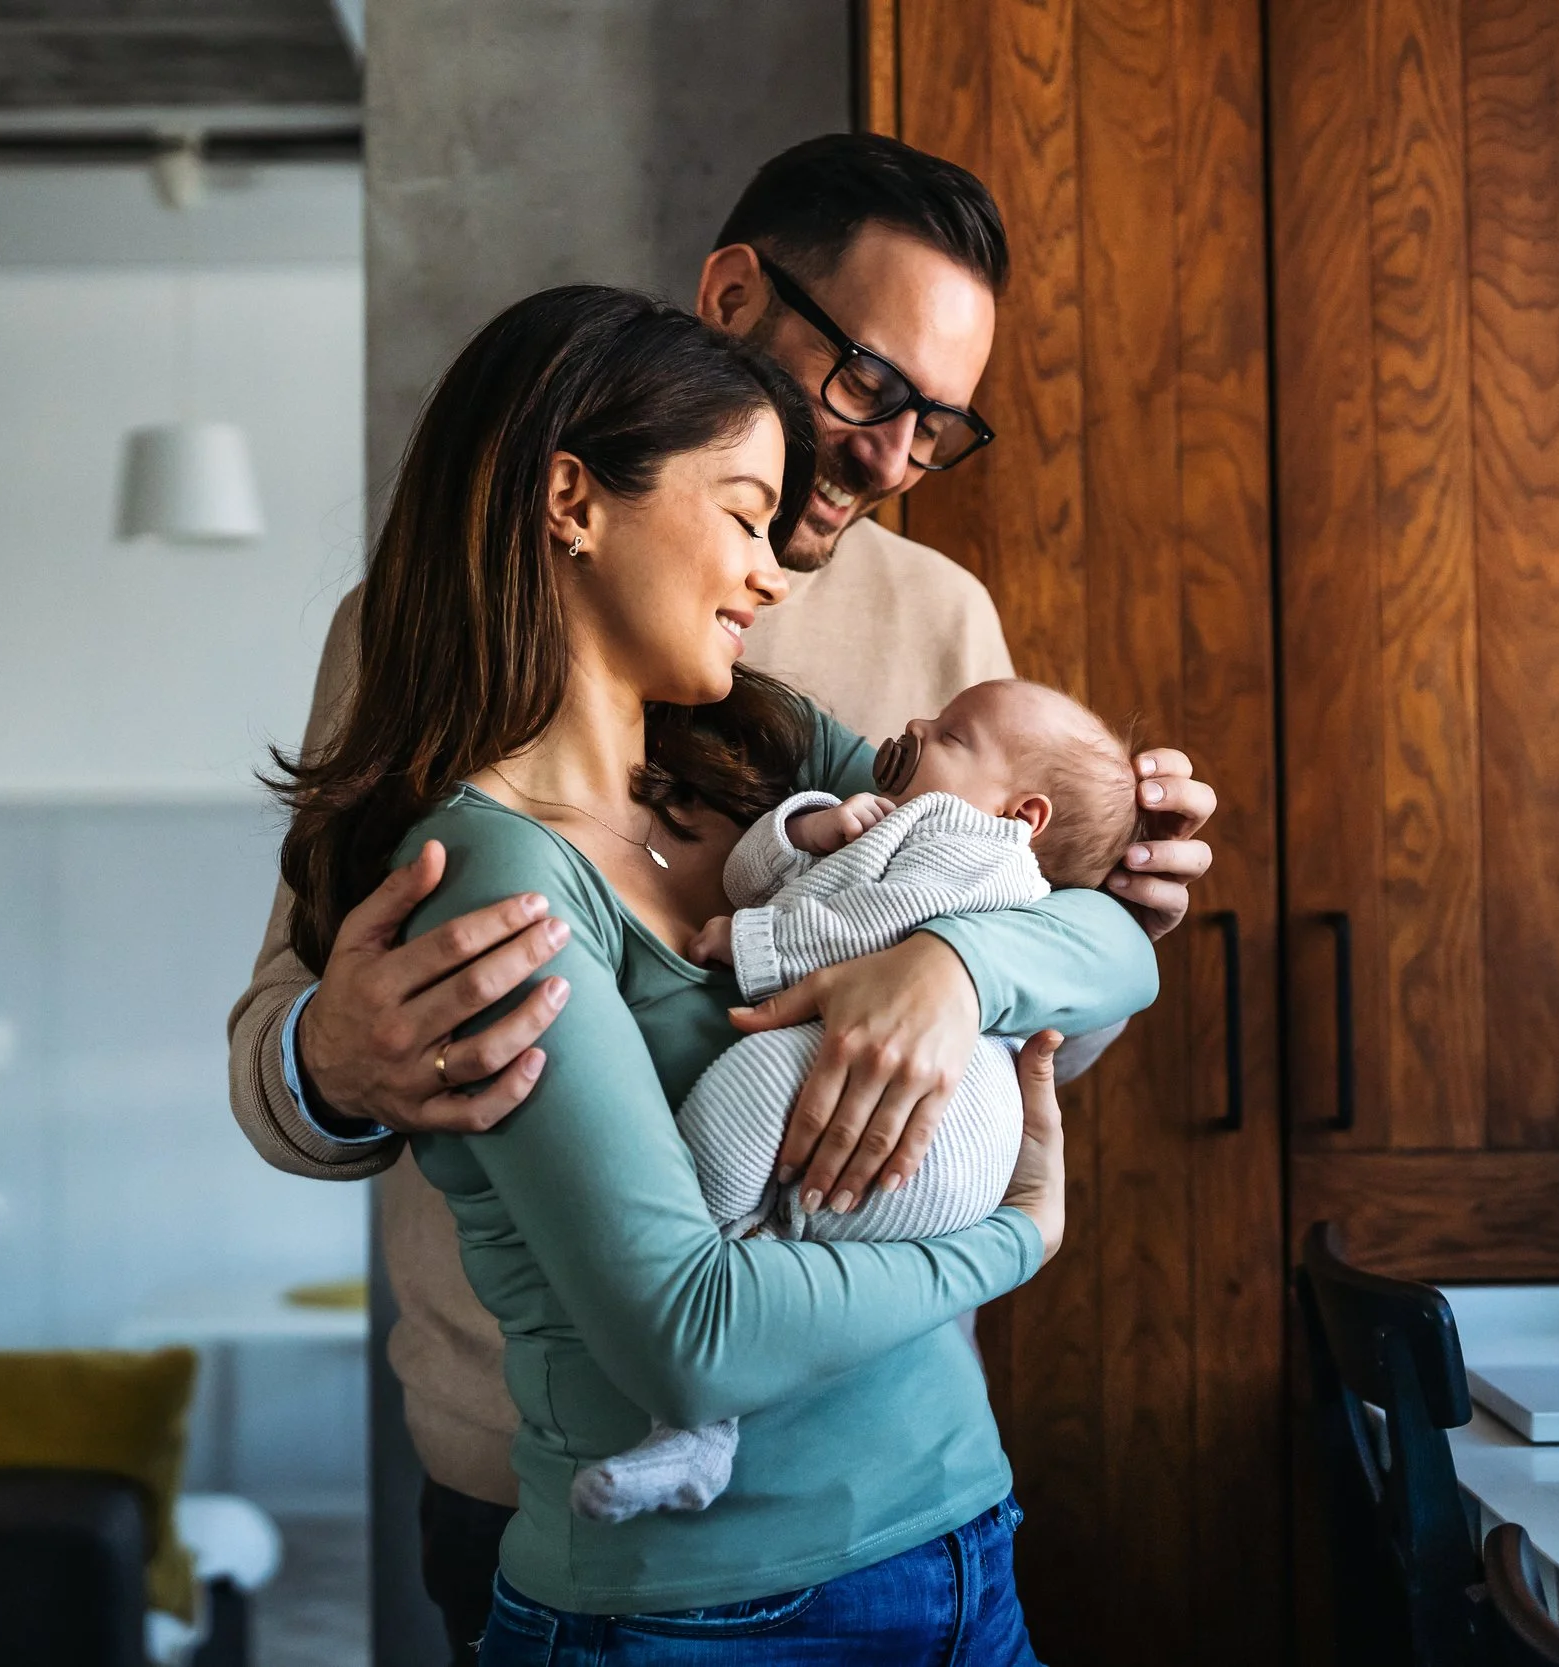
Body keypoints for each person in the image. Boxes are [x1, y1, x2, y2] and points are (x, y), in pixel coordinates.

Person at [227, 135, 1218, 1660]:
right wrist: (336, 1060)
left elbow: (1030, 1004)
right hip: (576, 1484)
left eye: (941, 427)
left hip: (930, 1487)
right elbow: (290, 1030)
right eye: (874, 391)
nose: (894, 459)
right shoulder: (449, 719)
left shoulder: (827, 682)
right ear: (738, 293)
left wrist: (988, 955)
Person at [572, 679, 1142, 1526]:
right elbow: (754, 875)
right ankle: (707, 1413)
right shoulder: (899, 818)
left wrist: (753, 941)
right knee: (774, 1201)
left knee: (744, 1091)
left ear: (1024, 815)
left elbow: (873, 930)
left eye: (950, 734)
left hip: (942, 1123)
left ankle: (700, 1392)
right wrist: (810, 827)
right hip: (934, 1139)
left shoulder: (978, 846)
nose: (914, 725)